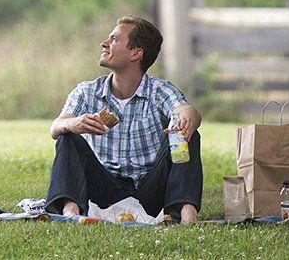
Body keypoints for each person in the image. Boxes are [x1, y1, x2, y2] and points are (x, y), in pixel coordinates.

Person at [47, 16, 202, 224]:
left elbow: (186, 110)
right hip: (104, 190)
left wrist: (186, 119)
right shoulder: (87, 91)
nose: (104, 43)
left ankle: (187, 216)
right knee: (67, 137)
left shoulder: (160, 91)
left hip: (150, 193)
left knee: (187, 134)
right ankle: (71, 214)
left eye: (114, 39)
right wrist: (71, 124)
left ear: (136, 53)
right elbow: (55, 126)